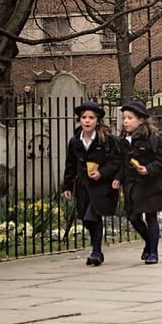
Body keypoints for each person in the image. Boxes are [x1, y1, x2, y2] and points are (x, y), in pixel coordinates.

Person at [62, 101, 121, 266]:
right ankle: (98, 252)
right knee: (87, 220)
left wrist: (102, 173)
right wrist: (67, 186)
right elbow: (70, 165)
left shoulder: (106, 140)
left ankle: (95, 252)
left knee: (92, 216)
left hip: (101, 187)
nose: (87, 121)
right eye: (84, 117)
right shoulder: (75, 141)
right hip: (83, 187)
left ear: (97, 121)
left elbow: (116, 161)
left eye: (91, 118)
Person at [113, 101, 162, 264]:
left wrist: (148, 169)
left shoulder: (152, 139)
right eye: (124, 118)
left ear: (141, 120)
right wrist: (118, 178)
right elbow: (122, 163)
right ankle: (149, 243)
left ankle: (153, 252)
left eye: (130, 118)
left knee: (151, 217)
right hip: (132, 185)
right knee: (133, 217)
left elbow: (161, 161)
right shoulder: (123, 140)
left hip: (150, 185)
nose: (126, 121)